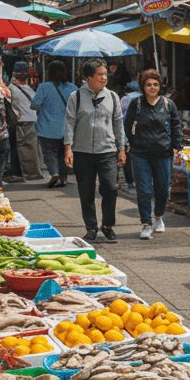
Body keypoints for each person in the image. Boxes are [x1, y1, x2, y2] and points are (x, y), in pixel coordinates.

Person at [64, 61, 126, 243]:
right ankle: (91, 228)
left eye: (105, 74)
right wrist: (68, 148)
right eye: (100, 74)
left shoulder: (113, 97)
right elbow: (69, 123)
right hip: (82, 152)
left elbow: (118, 124)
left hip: (107, 150)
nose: (104, 78)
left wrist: (121, 149)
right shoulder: (75, 97)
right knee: (86, 191)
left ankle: (107, 226)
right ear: (88, 78)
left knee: (110, 187)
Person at [125, 70, 182, 241]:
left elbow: (176, 125)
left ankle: (158, 215)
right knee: (144, 190)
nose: (152, 88)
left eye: (155, 84)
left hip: (163, 153)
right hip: (140, 153)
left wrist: (177, 145)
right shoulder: (137, 103)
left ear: (160, 85)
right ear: (143, 86)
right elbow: (127, 125)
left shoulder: (167, 103)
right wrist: (133, 141)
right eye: (148, 85)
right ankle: (146, 223)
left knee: (163, 189)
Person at [32, 61, 76, 188]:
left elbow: (34, 104)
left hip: (47, 127)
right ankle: (63, 178)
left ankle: (54, 174)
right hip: (67, 128)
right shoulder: (72, 88)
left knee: (49, 152)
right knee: (64, 153)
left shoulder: (44, 87)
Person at [8, 67, 42, 180]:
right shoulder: (30, 89)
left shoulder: (11, 88)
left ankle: (27, 173)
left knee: (22, 147)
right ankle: (34, 172)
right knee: (32, 147)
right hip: (33, 119)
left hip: (21, 121)